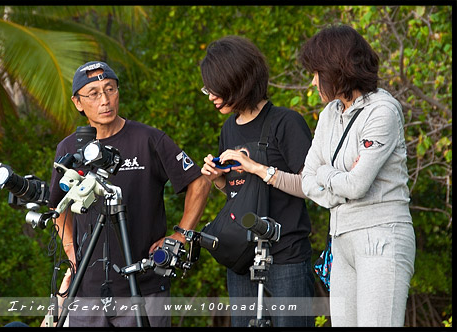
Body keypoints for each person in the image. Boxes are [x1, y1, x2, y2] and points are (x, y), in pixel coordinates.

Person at [48, 61, 211, 327]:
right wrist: (70, 249)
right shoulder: (69, 148)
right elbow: (57, 206)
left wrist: (181, 234)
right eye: (94, 93)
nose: (105, 100)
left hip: (145, 287)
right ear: (78, 103)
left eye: (110, 89)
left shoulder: (148, 139)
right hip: (86, 292)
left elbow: (199, 182)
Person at [299, 25, 416, 327]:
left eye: (317, 72)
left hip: (381, 236)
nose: (313, 82)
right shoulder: (328, 114)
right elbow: (307, 179)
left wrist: (327, 173)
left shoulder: (383, 111)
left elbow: (358, 184)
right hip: (341, 240)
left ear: (338, 68)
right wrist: (335, 180)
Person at [200, 35, 315, 327]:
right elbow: (237, 195)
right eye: (208, 88)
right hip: (242, 258)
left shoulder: (286, 122)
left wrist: (256, 167)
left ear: (237, 80)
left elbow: (312, 187)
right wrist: (219, 181)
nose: (210, 95)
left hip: (286, 256)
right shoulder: (228, 128)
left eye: (215, 88)